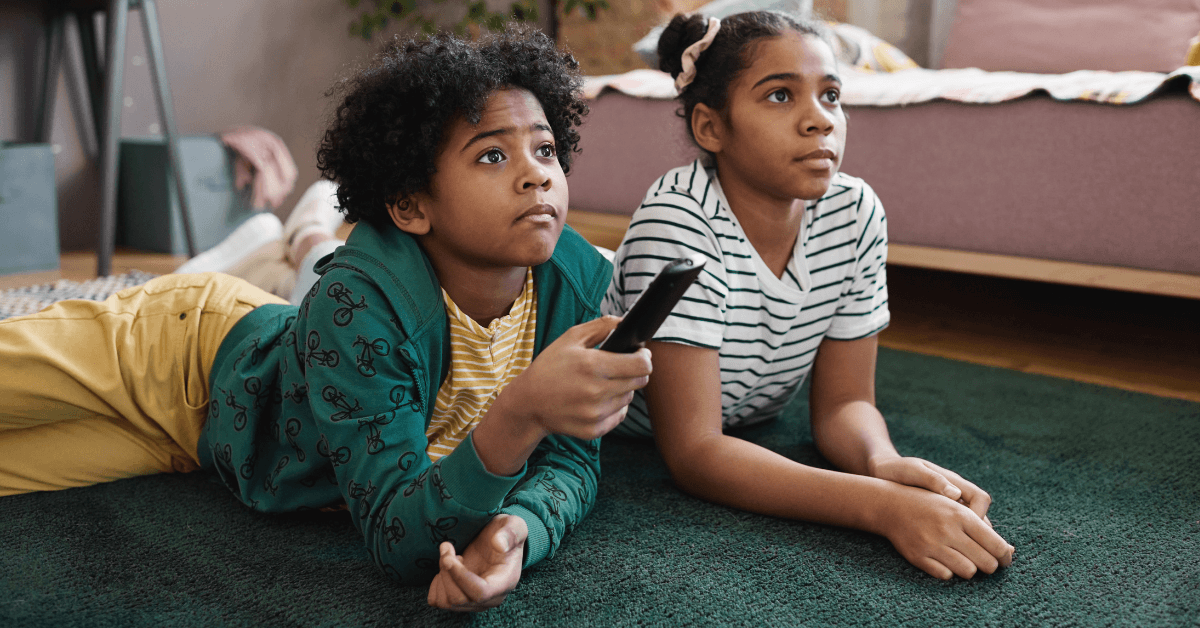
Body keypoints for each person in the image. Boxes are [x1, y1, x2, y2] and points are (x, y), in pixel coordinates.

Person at [0, 26, 653, 611]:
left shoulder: (573, 283)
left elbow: (570, 461)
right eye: (492, 155)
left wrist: (521, 531)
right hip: (167, 352)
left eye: (545, 151)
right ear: (409, 205)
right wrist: (522, 412)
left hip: (199, 447)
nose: (537, 177)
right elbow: (397, 537)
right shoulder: (360, 302)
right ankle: (247, 252)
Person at [602, 11, 1016, 581]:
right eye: (779, 95)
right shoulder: (678, 222)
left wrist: (883, 462)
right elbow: (695, 452)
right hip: (636, 425)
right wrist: (882, 507)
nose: (819, 120)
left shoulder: (855, 212)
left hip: (745, 414)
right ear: (710, 129)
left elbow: (845, 403)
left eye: (831, 95)